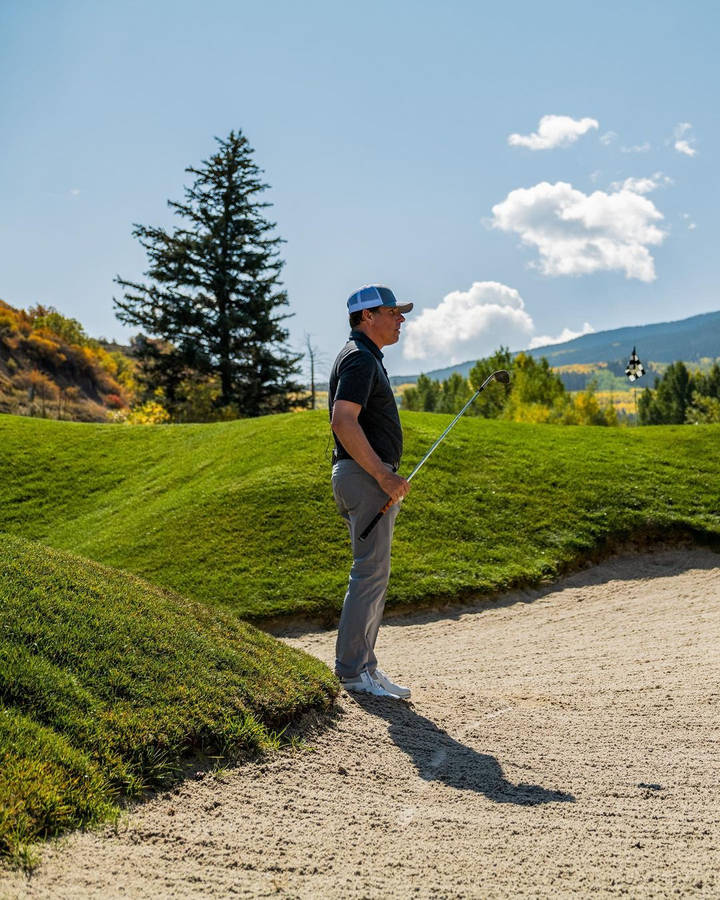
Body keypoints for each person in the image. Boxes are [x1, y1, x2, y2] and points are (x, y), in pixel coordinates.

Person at [329, 284, 413, 699]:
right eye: (393, 312)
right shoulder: (360, 358)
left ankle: (366, 667)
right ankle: (352, 672)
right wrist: (382, 475)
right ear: (368, 316)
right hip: (364, 477)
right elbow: (343, 420)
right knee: (369, 572)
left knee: (374, 572)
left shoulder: (365, 357)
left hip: (361, 476)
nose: (401, 319)